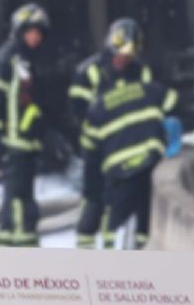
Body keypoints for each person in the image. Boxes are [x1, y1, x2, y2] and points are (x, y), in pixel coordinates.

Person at [82, 24, 178, 250]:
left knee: (115, 220)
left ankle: (112, 260)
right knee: (142, 216)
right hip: (146, 163)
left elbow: (89, 144)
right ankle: (137, 257)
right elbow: (173, 104)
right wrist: (172, 133)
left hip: (118, 168)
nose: (123, 60)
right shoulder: (150, 89)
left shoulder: (100, 105)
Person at [70, 18, 155, 248]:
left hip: (128, 149)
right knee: (93, 201)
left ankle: (115, 256)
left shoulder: (141, 72)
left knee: (124, 204)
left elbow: (149, 107)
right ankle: (84, 256)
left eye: (129, 55)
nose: (123, 60)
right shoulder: (89, 72)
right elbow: (78, 113)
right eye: (120, 53)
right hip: (96, 151)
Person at [0, 3, 51, 247]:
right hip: (12, 144)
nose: (36, 37)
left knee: (21, 201)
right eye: (32, 31)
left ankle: (12, 250)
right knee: (19, 202)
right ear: (20, 30)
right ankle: (22, 253)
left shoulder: (28, 62)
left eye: (40, 32)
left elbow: (31, 102)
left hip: (27, 144)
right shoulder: (4, 60)